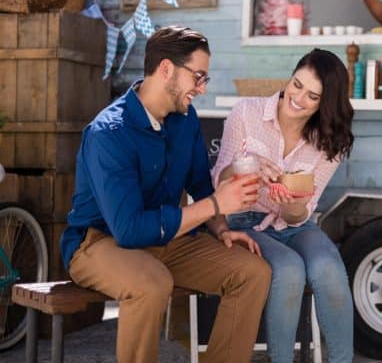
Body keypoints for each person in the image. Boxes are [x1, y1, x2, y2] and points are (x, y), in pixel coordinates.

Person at [60, 26, 271, 363]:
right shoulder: (109, 133)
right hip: (100, 242)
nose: (201, 89)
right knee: (152, 283)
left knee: (253, 272)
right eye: (198, 77)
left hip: (171, 238)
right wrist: (216, 204)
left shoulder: (185, 120)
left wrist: (219, 226)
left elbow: (201, 183)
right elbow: (129, 230)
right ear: (166, 69)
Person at [212, 48, 355, 363]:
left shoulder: (329, 143)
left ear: (325, 104)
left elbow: (300, 214)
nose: (298, 98)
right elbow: (218, 180)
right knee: (290, 270)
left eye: (312, 96)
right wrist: (246, 165)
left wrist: (291, 205)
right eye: (297, 84)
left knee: (329, 268)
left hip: (293, 224)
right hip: (243, 220)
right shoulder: (247, 113)